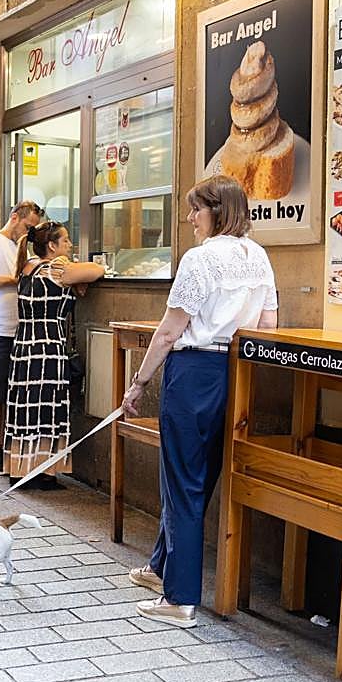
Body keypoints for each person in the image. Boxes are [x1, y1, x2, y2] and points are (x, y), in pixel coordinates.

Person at [122, 175, 278, 629]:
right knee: (198, 477)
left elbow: (170, 330)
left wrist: (139, 381)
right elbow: (268, 324)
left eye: (196, 209)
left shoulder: (200, 259)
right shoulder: (259, 257)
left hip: (193, 373)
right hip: (237, 373)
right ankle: (159, 569)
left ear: (217, 210)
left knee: (182, 481)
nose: (190, 218)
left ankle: (180, 599)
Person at [3, 221, 104, 487]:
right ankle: (45, 473)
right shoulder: (55, 268)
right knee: (47, 408)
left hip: (24, 345)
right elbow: (96, 270)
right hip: (47, 347)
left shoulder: (28, 267)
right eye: (66, 241)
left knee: (26, 408)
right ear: (52, 245)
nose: (70, 246)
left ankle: (21, 469)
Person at [0, 201, 45, 472]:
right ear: (15, 217)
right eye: (28, 227)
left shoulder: (22, 248)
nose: (29, 233)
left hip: (21, 331)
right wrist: (13, 280)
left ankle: (12, 449)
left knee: (16, 395)